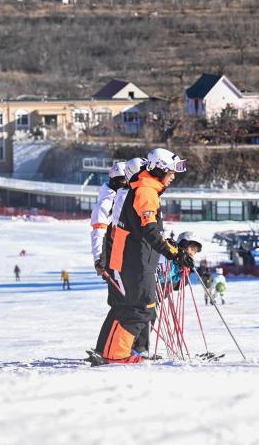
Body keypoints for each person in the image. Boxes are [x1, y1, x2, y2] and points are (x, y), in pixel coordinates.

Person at [92, 148, 190, 365]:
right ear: (159, 171)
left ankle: (108, 352)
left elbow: (147, 229)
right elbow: (150, 230)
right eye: (171, 173)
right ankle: (116, 355)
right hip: (135, 260)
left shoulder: (144, 188)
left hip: (134, 257)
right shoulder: (146, 191)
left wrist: (171, 247)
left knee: (129, 306)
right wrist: (174, 254)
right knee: (141, 307)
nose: (173, 177)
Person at [90, 162, 128, 276]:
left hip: (127, 256)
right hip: (113, 259)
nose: (127, 183)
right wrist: (99, 260)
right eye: (123, 180)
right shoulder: (106, 203)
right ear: (114, 181)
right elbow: (98, 232)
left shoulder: (123, 197)